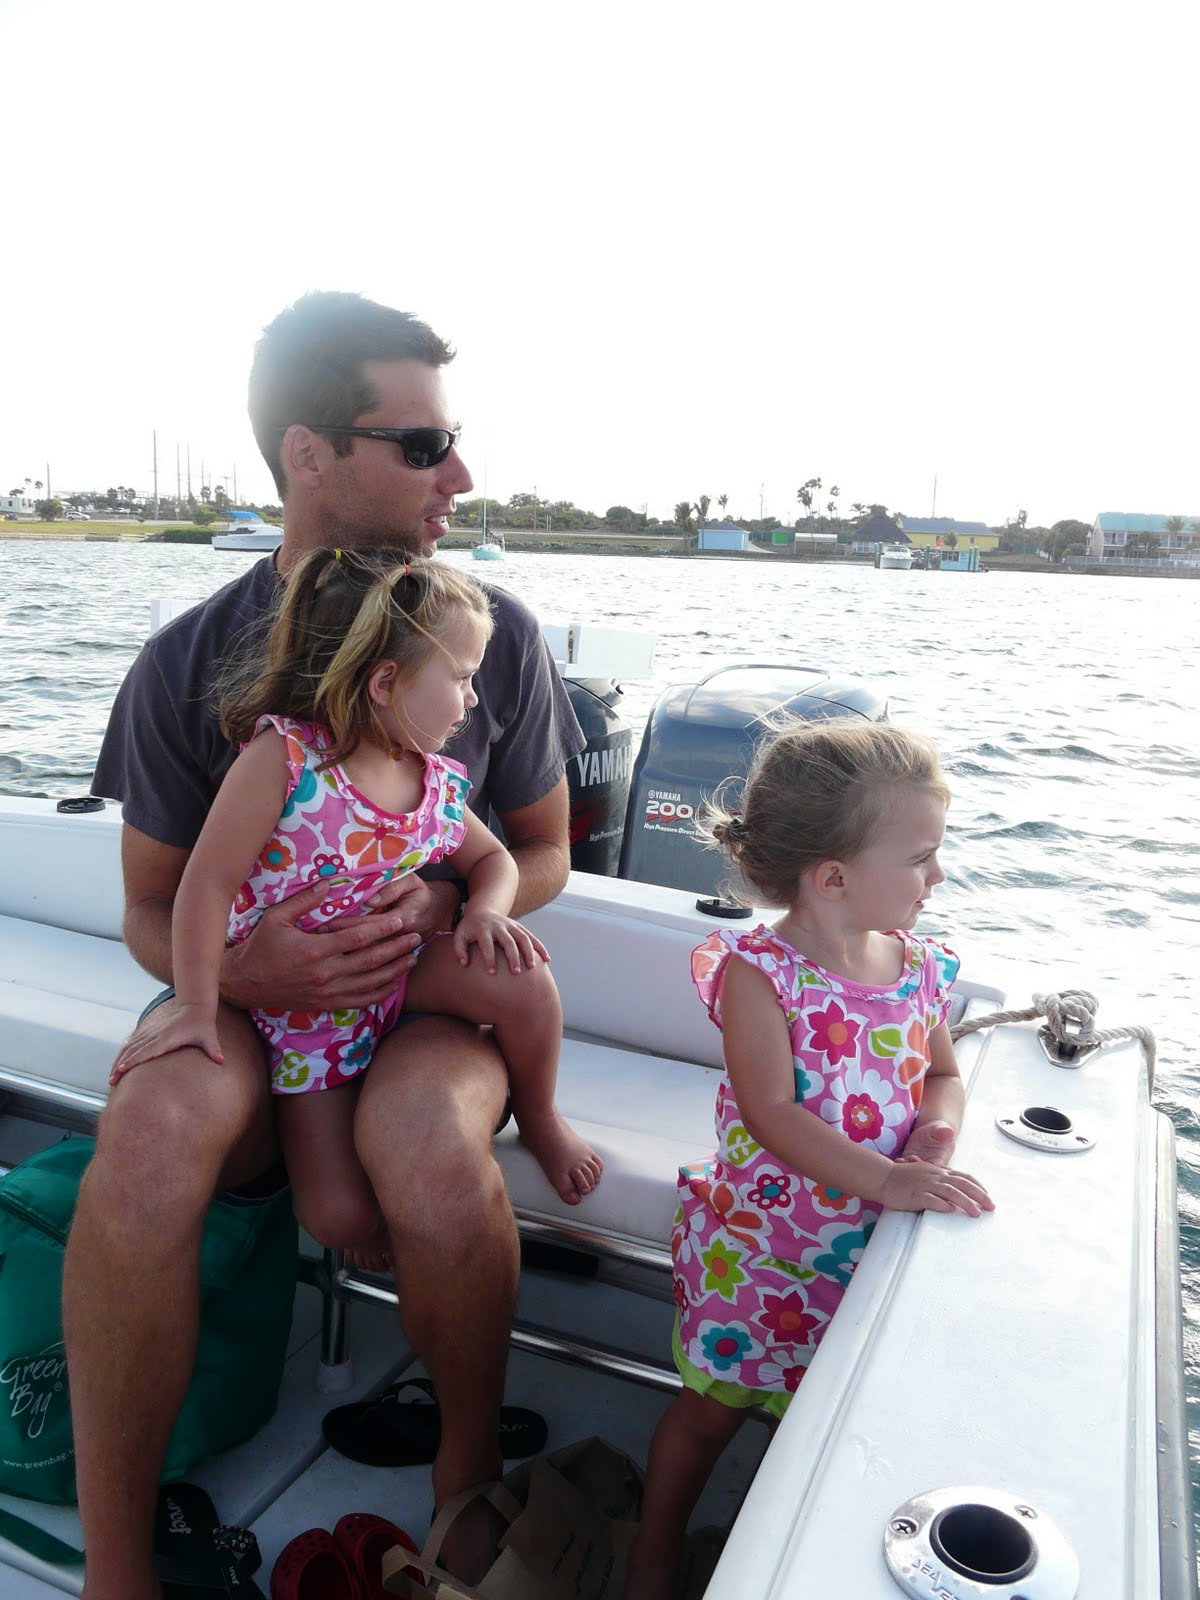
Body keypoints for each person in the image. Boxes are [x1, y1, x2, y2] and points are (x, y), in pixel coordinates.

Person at [65, 291, 586, 1600]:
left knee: (427, 1146)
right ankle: (117, 1568)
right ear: (309, 455)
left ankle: (462, 1483)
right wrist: (243, 976)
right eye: (423, 445)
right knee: (147, 1139)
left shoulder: (492, 638)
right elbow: (152, 907)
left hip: (423, 1004)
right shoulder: (187, 660)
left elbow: (542, 852)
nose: (458, 475)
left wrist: (455, 908)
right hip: (253, 1004)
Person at [108, 548, 602, 1243]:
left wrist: (484, 912)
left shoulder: (431, 777)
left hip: (403, 972)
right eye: (463, 678)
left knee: (524, 979)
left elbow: (495, 859)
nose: (473, 699)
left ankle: (540, 1115)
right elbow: (205, 885)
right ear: (386, 682)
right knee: (338, 1219)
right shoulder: (282, 763)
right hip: (301, 1014)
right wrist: (196, 1002)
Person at [624, 719, 995, 1600]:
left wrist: (935, 1131)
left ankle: (771, 1561)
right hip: (760, 1256)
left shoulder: (919, 969)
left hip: (861, 1262)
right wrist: (891, 1179)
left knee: (815, 1430)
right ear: (833, 878)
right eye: (922, 858)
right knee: (710, 1414)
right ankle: (652, 1553)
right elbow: (773, 1113)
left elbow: (943, 1075)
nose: (939, 877)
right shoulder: (762, 975)